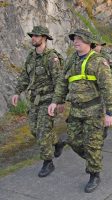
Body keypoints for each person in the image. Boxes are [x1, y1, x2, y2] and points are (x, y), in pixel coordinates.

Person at [48, 28, 112, 193]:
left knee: (92, 145)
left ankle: (94, 174)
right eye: (74, 39)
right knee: (74, 141)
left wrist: (110, 112)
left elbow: (108, 88)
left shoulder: (99, 61)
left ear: (89, 42)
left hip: (93, 111)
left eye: (80, 39)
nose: (76, 41)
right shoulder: (71, 60)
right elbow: (62, 83)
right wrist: (56, 101)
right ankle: (95, 158)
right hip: (75, 111)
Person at [11, 26, 65, 178]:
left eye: (36, 36)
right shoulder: (31, 56)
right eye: (32, 36)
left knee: (42, 131)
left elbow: (59, 82)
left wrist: (58, 102)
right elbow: (24, 76)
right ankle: (57, 142)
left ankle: (48, 162)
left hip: (49, 101)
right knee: (35, 130)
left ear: (45, 38)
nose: (33, 38)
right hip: (34, 100)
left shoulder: (51, 57)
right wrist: (17, 92)